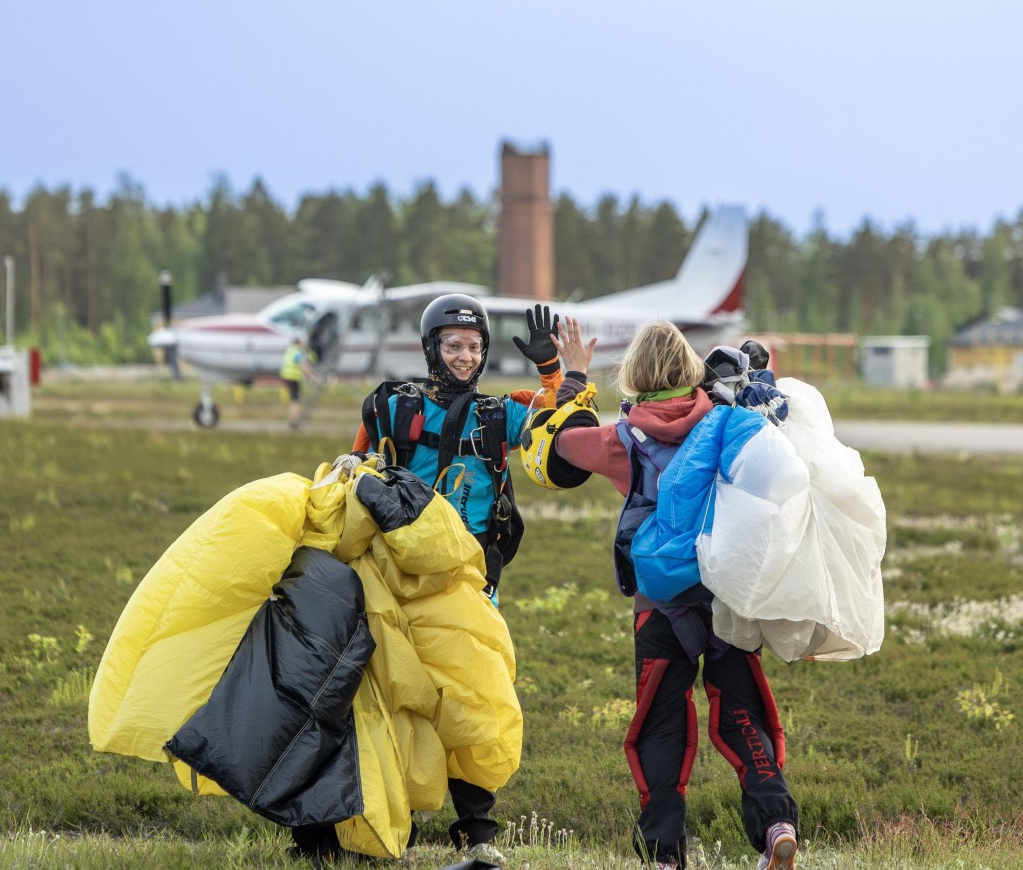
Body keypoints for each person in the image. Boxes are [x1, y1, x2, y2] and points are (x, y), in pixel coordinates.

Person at [545, 318, 800, 870]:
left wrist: (572, 379)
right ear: (692, 371)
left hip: (660, 609)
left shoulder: (620, 441)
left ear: (634, 375)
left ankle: (664, 854)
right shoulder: (731, 419)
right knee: (741, 711)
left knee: (661, 723)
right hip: (726, 595)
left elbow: (559, 444)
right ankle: (777, 821)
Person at [339, 293, 565, 868]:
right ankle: (397, 822)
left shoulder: (500, 415)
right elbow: (357, 463)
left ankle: (476, 829)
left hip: (469, 588)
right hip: (401, 580)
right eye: (454, 345)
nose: (465, 356)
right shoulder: (392, 406)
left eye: (474, 347)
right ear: (431, 347)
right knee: (399, 696)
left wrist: (552, 371)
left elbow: (560, 433)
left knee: (470, 699)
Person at [280, 335, 318, 429]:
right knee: (296, 400)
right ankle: (294, 421)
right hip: (293, 377)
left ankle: (292, 419)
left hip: (287, 376)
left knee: (294, 399)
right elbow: (302, 365)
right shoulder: (297, 352)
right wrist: (312, 377)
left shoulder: (290, 350)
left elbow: (311, 358)